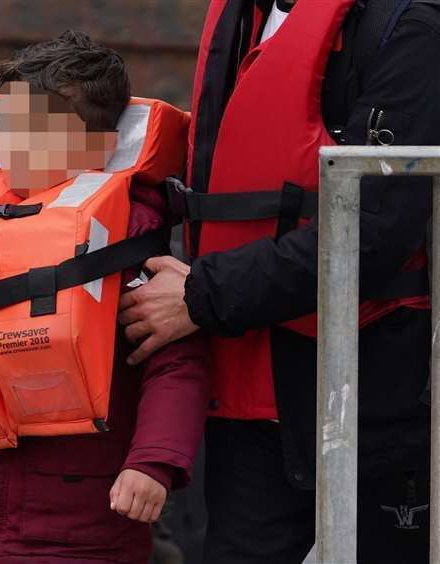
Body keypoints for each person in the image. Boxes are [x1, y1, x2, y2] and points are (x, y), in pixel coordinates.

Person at [119, 1, 440, 562]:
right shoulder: (242, 17)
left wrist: (201, 294)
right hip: (241, 388)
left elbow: (377, 227)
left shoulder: (411, 27)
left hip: (372, 390)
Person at [0, 31, 210, 564]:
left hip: (84, 523)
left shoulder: (122, 245)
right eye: (10, 129)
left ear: (99, 147)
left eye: (38, 132)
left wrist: (152, 464)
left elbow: (177, 362)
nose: (17, 148)